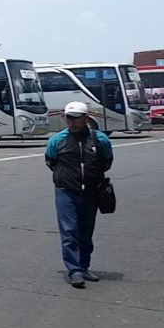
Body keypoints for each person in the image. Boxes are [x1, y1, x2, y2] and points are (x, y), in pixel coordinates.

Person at [45, 101, 114, 288]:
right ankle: (74, 270)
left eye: (76, 119)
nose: (72, 123)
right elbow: (51, 161)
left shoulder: (100, 140)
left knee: (85, 232)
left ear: (86, 118)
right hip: (66, 192)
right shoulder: (56, 141)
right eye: (69, 118)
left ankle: (84, 267)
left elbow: (106, 162)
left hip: (90, 193)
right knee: (69, 232)